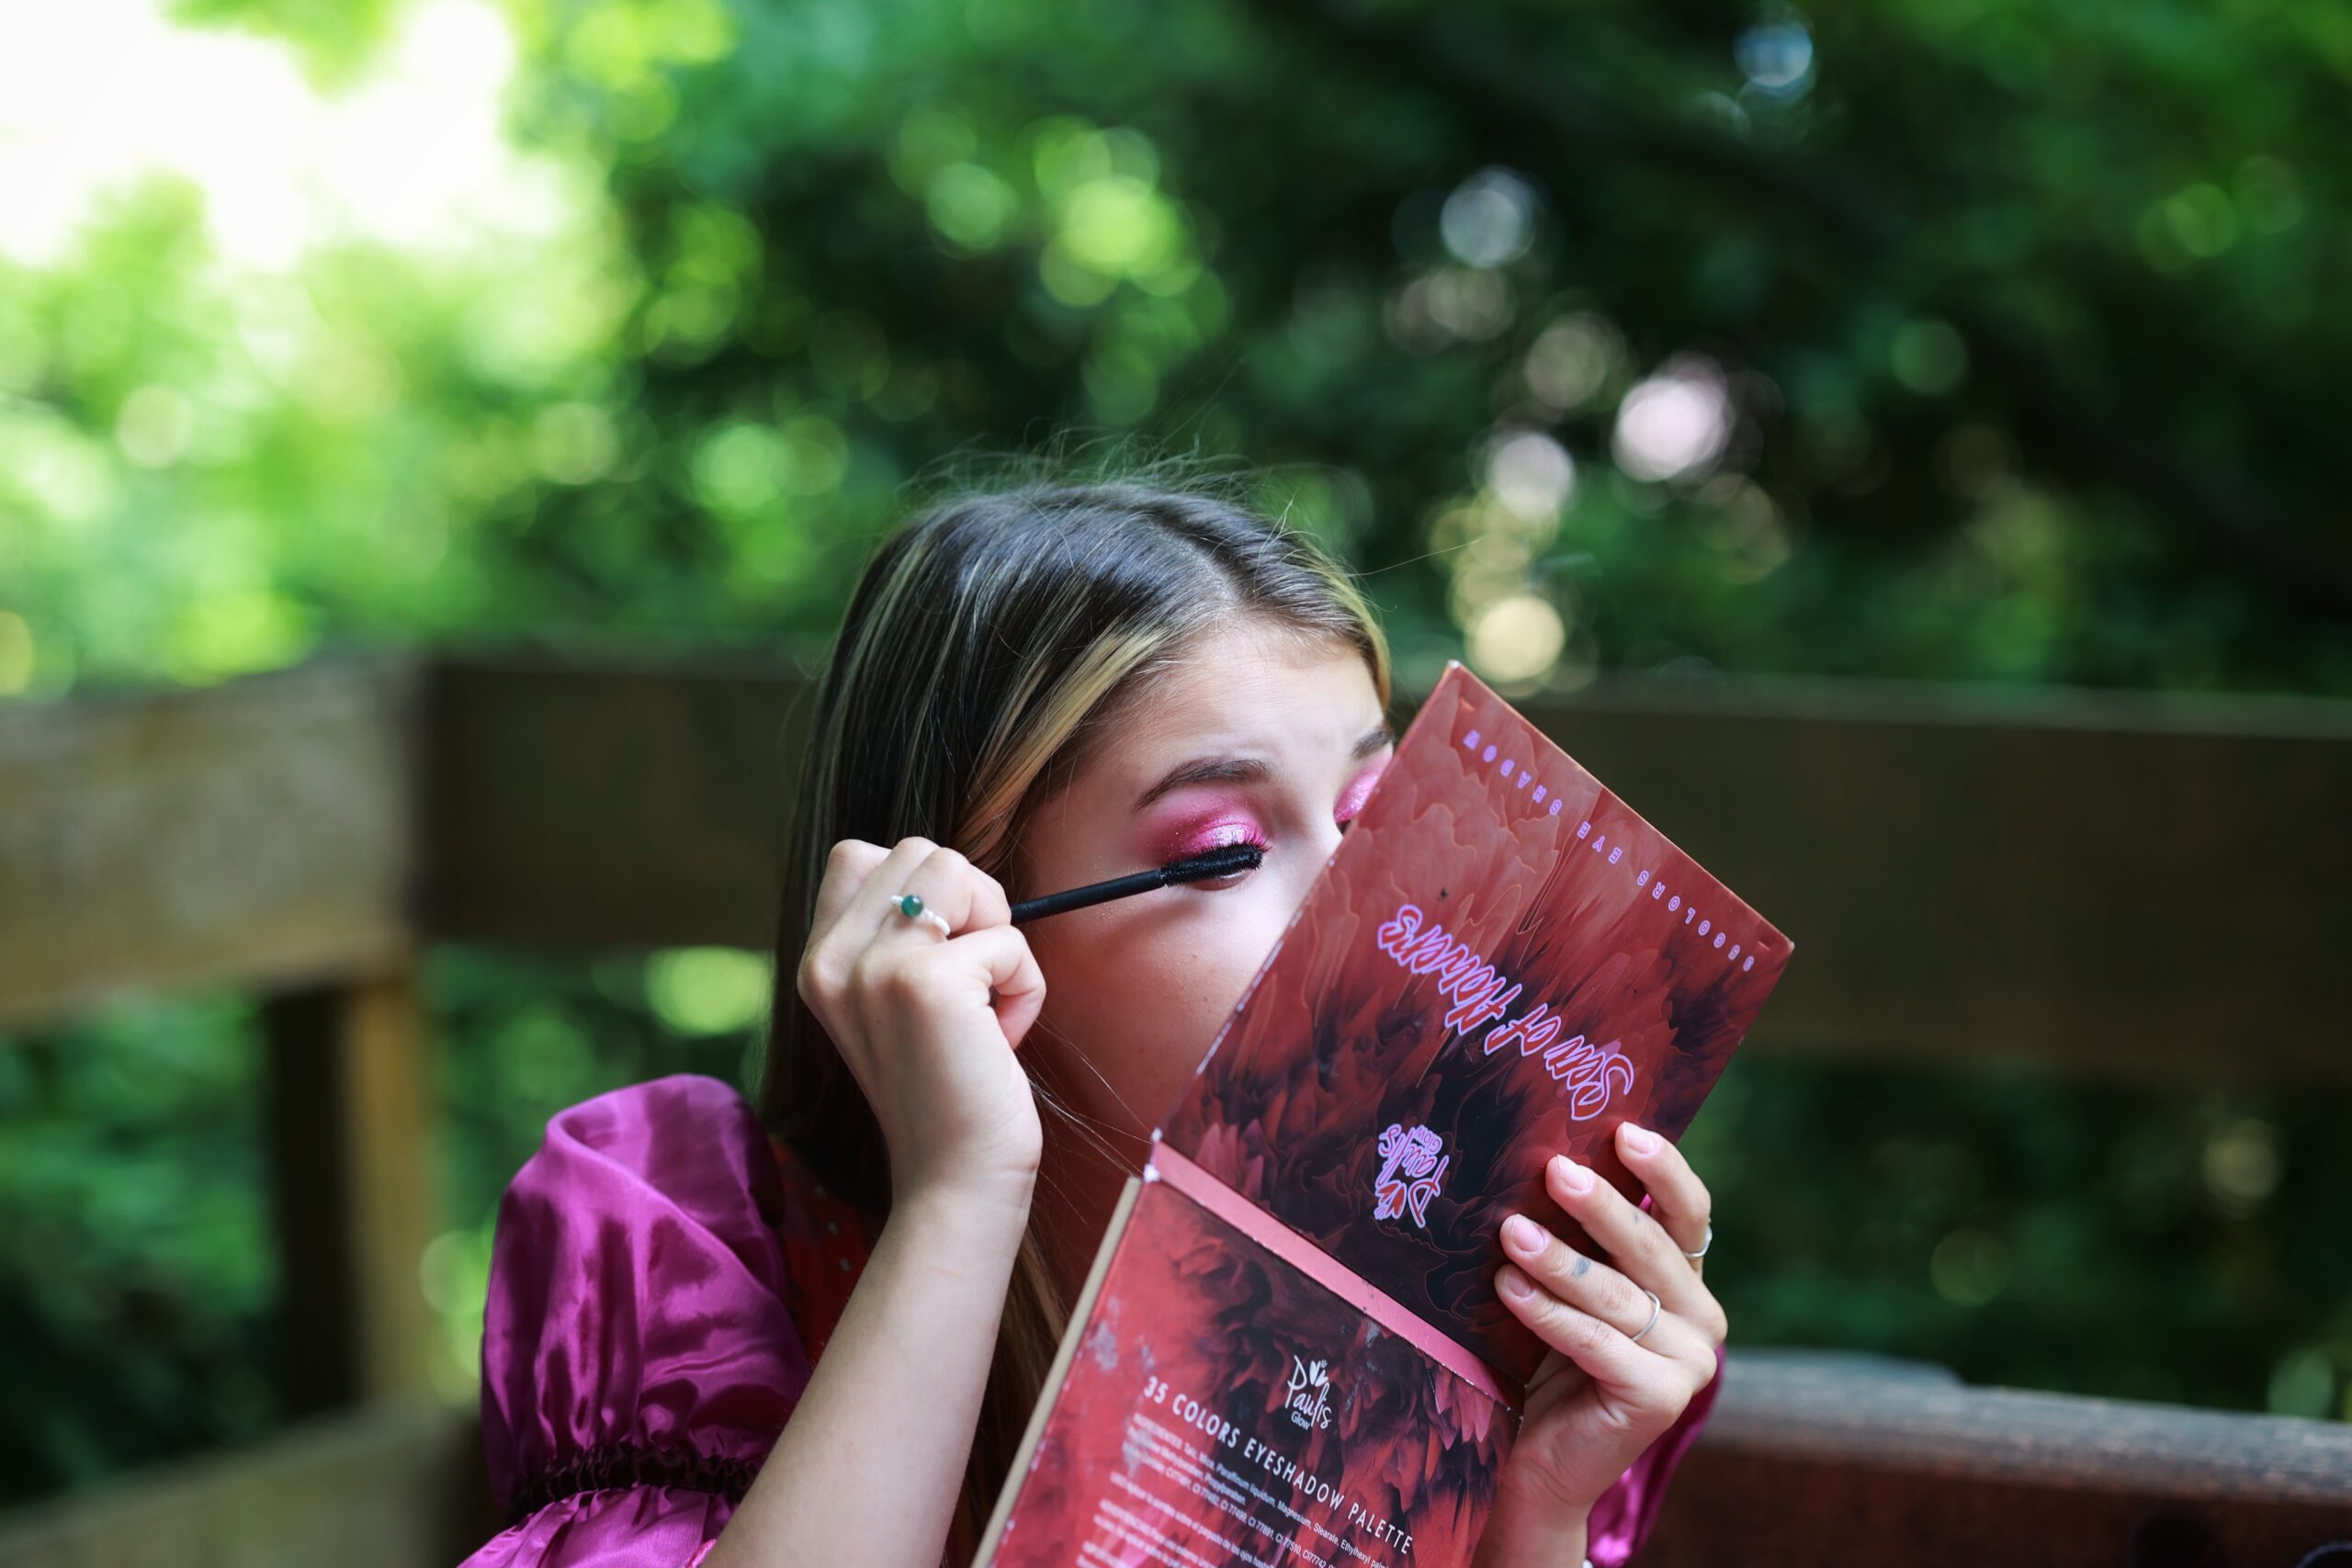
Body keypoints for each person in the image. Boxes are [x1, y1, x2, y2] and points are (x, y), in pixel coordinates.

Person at [460, 466, 1728, 1568]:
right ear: (965, 928)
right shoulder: (693, 1260)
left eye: (1376, 814)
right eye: (1224, 851)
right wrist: (963, 1186)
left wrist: (1532, 1521)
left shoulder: (1461, 1344)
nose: (1376, 908)